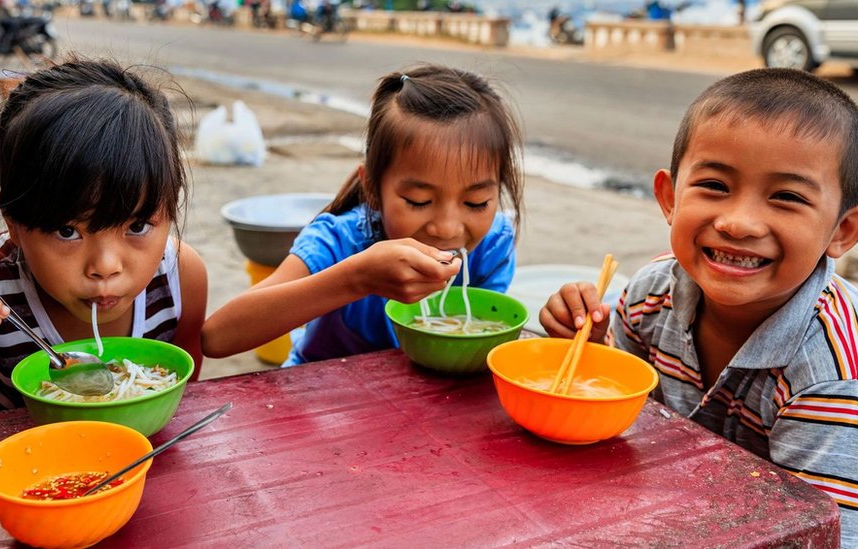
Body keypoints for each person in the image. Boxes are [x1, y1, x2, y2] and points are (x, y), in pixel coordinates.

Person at [539, 68, 858, 545]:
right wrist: (583, 349)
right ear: (669, 198)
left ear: (842, 232)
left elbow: (822, 534)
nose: (738, 223)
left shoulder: (831, 371)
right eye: (714, 185)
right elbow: (626, 415)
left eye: (786, 197)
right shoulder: (651, 292)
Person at [0, 57, 208, 421]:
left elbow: (182, 394)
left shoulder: (180, 278)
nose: (105, 267)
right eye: (68, 231)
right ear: (15, 224)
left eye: (137, 227)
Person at [202, 64, 523, 365]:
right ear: (372, 188)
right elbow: (217, 337)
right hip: (321, 399)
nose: (447, 228)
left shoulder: (492, 244)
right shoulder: (339, 242)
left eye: (477, 202)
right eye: (419, 200)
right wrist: (355, 279)